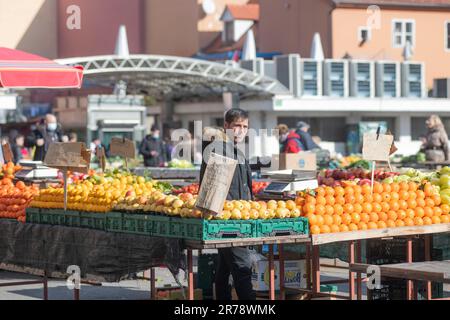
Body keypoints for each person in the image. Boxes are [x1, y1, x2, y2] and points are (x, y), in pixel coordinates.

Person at [200, 108, 255, 300]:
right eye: (236, 126)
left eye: (245, 126)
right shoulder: (219, 149)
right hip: (228, 220)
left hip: (236, 217)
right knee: (242, 268)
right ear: (226, 126)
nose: (241, 130)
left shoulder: (235, 150)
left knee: (224, 269)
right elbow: (211, 188)